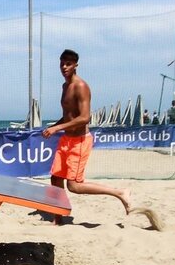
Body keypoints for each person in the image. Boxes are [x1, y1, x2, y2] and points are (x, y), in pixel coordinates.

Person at [42, 49, 131, 224]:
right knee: (55, 178)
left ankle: (120, 193)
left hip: (80, 140)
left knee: (74, 186)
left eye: (68, 63)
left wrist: (57, 127)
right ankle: (58, 218)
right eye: (62, 63)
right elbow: (69, 115)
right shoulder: (65, 86)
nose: (64, 67)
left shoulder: (81, 86)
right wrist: (53, 127)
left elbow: (84, 118)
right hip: (67, 139)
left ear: (76, 65)